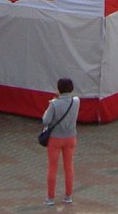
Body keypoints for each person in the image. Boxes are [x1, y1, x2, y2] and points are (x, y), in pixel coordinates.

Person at [41, 77, 80, 206]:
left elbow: (45, 120)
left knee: (53, 167)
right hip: (71, 137)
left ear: (59, 88)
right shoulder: (76, 101)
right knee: (68, 166)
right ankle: (68, 196)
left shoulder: (54, 104)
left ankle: (50, 198)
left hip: (55, 139)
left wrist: (52, 102)